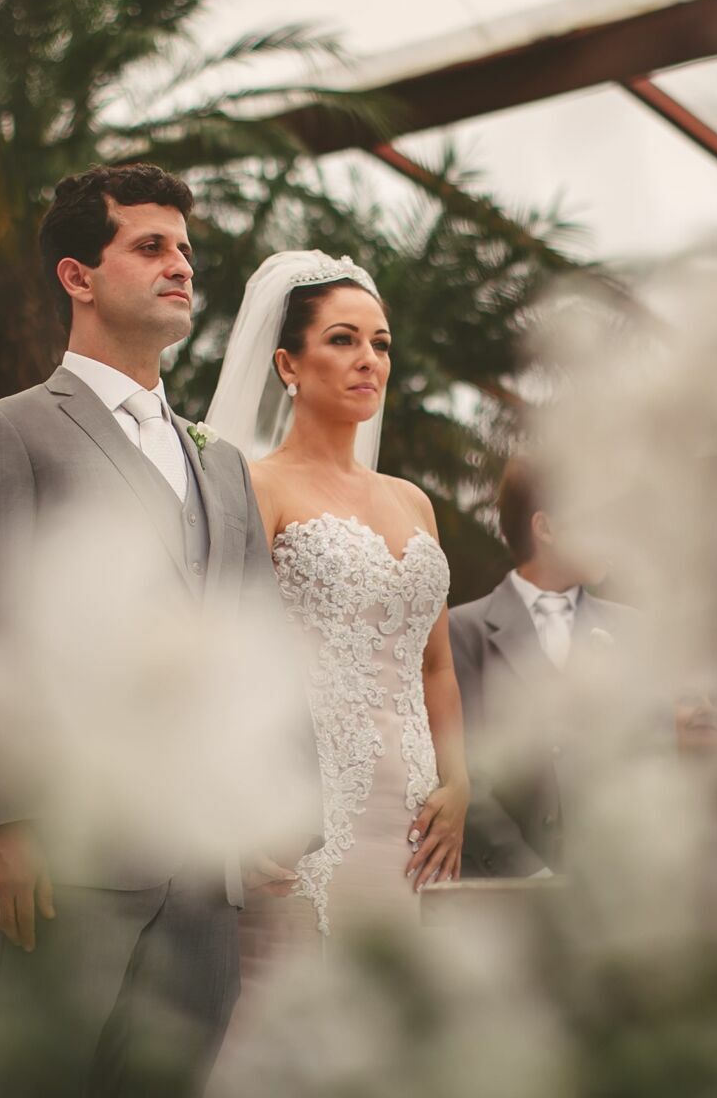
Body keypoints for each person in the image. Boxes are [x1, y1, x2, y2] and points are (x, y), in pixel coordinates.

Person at [0, 163, 317, 1096]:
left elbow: (253, 639)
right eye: (150, 247)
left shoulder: (221, 465)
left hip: (203, 877)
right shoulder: (8, 432)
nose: (180, 266)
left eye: (185, 250)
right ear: (78, 275)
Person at [201, 251, 469, 1033]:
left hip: (415, 822)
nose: (368, 360)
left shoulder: (414, 502)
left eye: (381, 344)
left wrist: (458, 784)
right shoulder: (256, 486)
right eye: (344, 340)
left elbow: (437, 663)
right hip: (303, 808)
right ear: (287, 362)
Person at [449, 453, 637, 878]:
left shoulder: (631, 630)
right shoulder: (463, 630)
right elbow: (461, 772)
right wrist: (528, 875)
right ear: (546, 527)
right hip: (502, 895)